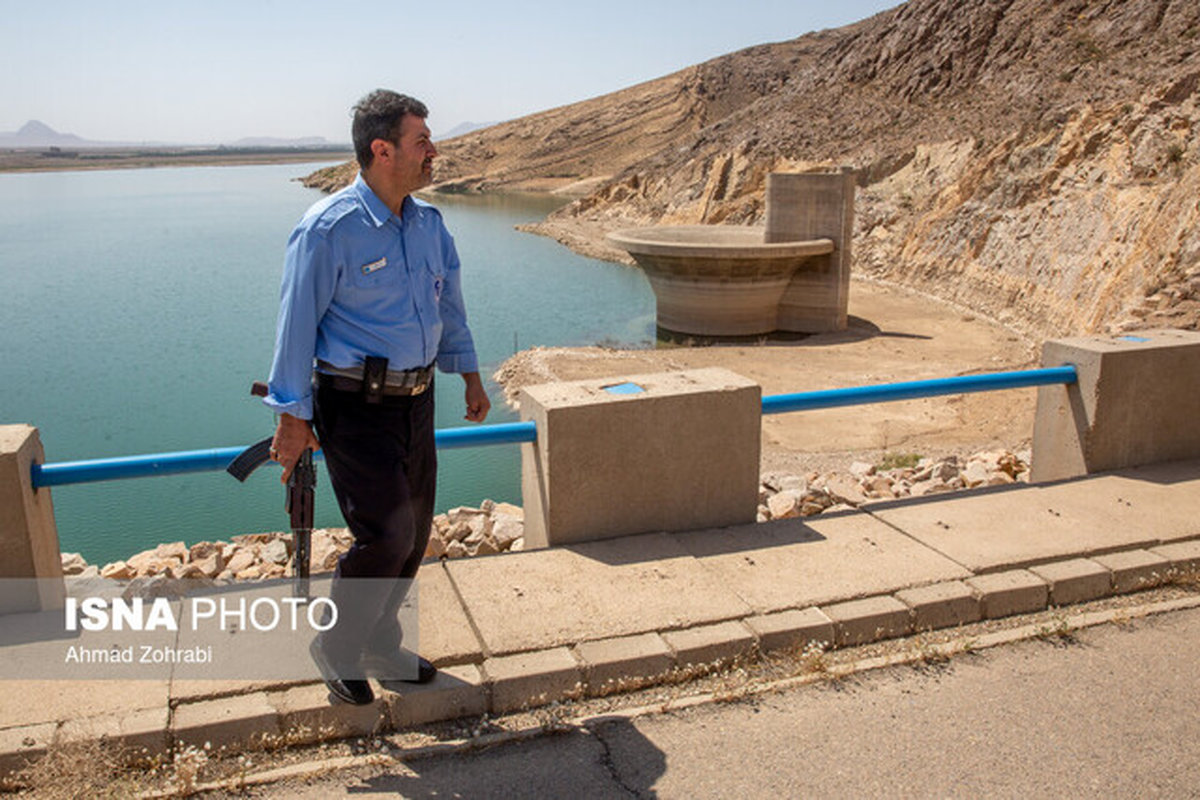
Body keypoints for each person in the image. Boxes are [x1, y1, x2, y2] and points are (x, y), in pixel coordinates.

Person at [263, 89, 490, 705]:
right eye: (422, 141)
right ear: (382, 149)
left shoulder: (429, 224)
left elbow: (450, 309)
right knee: (385, 533)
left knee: (414, 534)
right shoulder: (327, 230)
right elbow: (295, 326)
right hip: (352, 404)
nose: (434, 151)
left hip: (415, 403)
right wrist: (291, 416)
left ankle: (381, 643)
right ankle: (336, 646)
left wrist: (468, 375)